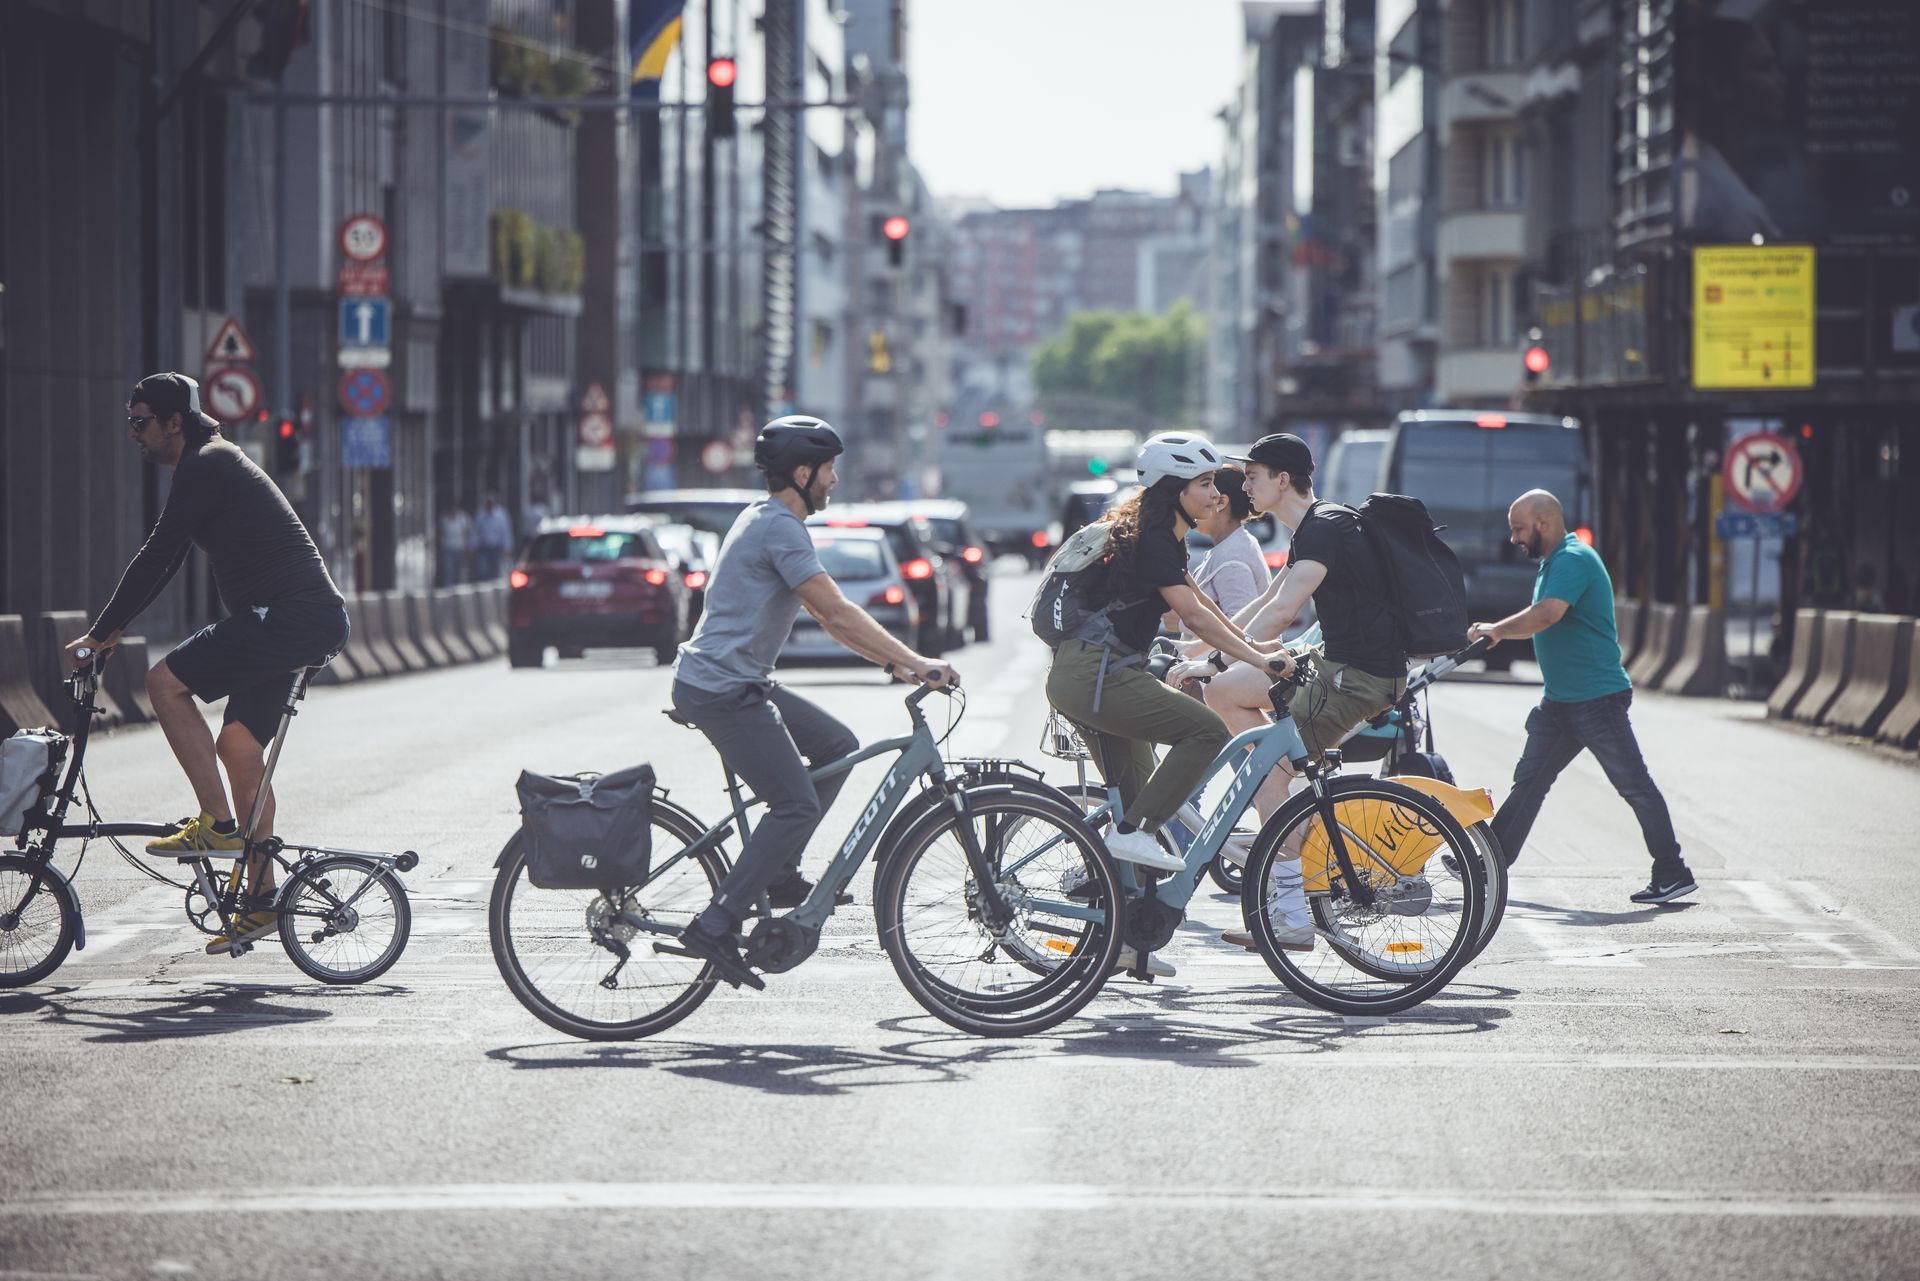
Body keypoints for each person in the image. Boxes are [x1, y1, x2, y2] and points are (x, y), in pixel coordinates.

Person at [668, 416, 959, 987]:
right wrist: (919, 662)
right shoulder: (779, 527)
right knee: (795, 805)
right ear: (802, 473)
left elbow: (833, 624)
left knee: (836, 744)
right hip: (722, 687)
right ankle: (716, 920)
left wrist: (894, 663)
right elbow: (836, 611)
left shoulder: (767, 518)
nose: (834, 480)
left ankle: (778, 871)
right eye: (828, 470)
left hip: (737, 679)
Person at [64, 373, 348, 952]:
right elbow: (165, 563)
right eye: (129, 422)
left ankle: (217, 825)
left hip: (291, 617)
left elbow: (158, 555)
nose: (132, 434)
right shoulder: (208, 464)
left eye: (141, 422)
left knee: (164, 683)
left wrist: (100, 634)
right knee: (239, 748)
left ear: (175, 422)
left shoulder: (208, 462)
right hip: (298, 619)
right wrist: (112, 628)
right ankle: (264, 901)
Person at [1044, 432, 1295, 975]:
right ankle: (1125, 837)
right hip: (1098, 676)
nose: (1217, 495)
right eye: (1204, 484)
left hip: (1091, 675)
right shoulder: (1155, 540)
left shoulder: (1161, 538)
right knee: (1203, 733)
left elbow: (1202, 606)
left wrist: (1258, 650)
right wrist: (1259, 659)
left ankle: (1126, 943)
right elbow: (1198, 617)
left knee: (1139, 800)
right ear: (1173, 490)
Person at [1169, 433, 1407, 951]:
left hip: (1359, 676)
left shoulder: (1326, 528)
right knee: (1227, 693)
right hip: (1334, 663)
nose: (1243, 486)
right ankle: (1275, 785)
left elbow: (1282, 613)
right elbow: (1261, 612)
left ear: (1282, 480)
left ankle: (1291, 915)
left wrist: (1212, 658)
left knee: (1266, 771)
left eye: (1252, 476)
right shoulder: (1308, 532)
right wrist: (1201, 653)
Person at [1469, 490, 1696, 905]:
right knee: (1531, 782)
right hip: (1561, 702)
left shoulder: (1573, 559)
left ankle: (1672, 871)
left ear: (1543, 523)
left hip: (1596, 699)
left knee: (1635, 786)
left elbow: (1548, 614)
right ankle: (1490, 863)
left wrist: (1497, 629)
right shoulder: (1553, 562)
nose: (1514, 539)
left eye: (1519, 529)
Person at [472, 493, 514, 580]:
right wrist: (474, 546)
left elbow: (505, 532)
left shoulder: (501, 515)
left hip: (496, 548)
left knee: (496, 572)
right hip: (484, 548)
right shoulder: (480, 515)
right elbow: (476, 532)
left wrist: (507, 547)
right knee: (483, 571)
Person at [437, 501, 471, 587]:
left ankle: (458, 589)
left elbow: (466, 534)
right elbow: (441, 534)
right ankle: (448, 590)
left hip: (460, 548)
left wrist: (467, 548)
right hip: (448, 549)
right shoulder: (444, 519)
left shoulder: (463, 518)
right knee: (449, 571)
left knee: (459, 572)